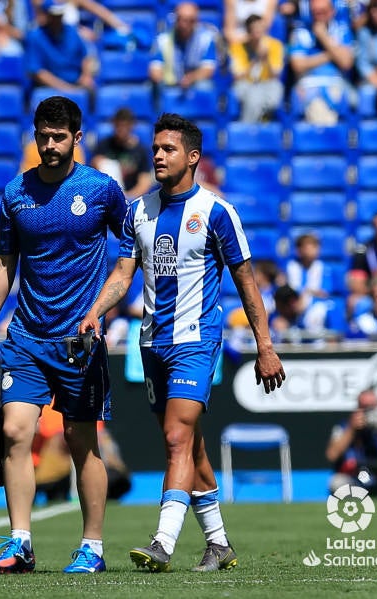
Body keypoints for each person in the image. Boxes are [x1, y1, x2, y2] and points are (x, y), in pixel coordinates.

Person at [79, 113, 285, 573]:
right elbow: (122, 274)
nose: (157, 155)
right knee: (189, 449)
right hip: (151, 344)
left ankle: (162, 543)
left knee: (176, 438)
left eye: (168, 149)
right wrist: (96, 311)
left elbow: (248, 284)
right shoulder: (138, 211)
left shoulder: (216, 211)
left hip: (197, 339)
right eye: (154, 148)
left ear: (192, 157)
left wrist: (265, 347)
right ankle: (219, 544)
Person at [0, 96, 128, 574]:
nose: (51, 145)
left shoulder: (101, 190)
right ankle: (21, 543)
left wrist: (103, 307)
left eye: (60, 137)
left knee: (82, 442)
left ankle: (92, 546)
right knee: (15, 432)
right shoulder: (15, 192)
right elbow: (4, 261)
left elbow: (130, 253)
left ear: (77, 139)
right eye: (44, 136)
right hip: (26, 337)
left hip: (79, 342)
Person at [287, 0, 355, 125]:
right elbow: (297, 65)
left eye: (323, 12)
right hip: (308, 85)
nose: (319, 16)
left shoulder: (342, 31)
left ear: (332, 11)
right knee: (318, 108)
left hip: (337, 84)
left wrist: (323, 36)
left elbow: (346, 63)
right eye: (315, 12)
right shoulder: (301, 32)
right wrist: (333, 53)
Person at [24, 0, 95, 94]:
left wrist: (86, 76)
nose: (57, 19)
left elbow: (86, 56)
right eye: (53, 15)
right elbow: (37, 72)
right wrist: (66, 89)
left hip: (76, 83)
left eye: (60, 15)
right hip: (48, 89)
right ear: (46, 15)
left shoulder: (72, 31)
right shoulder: (35, 37)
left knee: (91, 89)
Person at [148, 2, 219, 93]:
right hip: (168, 84)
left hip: (194, 83)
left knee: (204, 86)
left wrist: (190, 78)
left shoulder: (206, 39)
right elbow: (155, 68)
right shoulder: (163, 40)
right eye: (181, 19)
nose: (185, 24)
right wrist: (160, 78)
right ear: (175, 20)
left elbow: (208, 69)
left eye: (191, 20)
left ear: (197, 21)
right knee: (153, 88)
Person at [229, 14, 286, 123]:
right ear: (248, 32)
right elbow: (237, 76)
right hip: (245, 84)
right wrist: (255, 60)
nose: (259, 33)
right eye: (255, 30)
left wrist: (266, 60)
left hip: (268, 83)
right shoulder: (237, 47)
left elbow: (275, 75)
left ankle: (258, 122)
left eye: (261, 29)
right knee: (254, 96)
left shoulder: (275, 45)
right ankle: (250, 128)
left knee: (275, 92)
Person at [90, 107, 154, 199]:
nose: (122, 130)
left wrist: (127, 197)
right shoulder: (104, 145)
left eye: (125, 126)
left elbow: (144, 182)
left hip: (131, 197)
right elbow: (93, 171)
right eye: (119, 126)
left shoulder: (140, 150)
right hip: (107, 196)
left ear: (132, 125)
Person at [270, 284, 345, 343]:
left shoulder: (322, 309)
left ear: (291, 303)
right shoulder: (292, 320)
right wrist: (285, 334)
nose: (280, 314)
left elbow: (336, 339)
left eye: (281, 310)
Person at [285, 232, 334, 300]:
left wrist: (306, 292)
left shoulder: (324, 268)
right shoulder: (291, 266)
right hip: (294, 303)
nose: (311, 252)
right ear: (299, 250)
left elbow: (324, 292)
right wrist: (308, 291)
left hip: (317, 304)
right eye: (307, 248)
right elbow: (289, 290)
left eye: (314, 247)